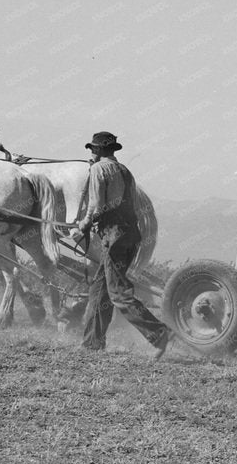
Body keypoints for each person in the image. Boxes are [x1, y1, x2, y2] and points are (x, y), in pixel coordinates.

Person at [68, 131, 170, 358]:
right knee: (99, 288)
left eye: (93, 149)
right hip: (131, 235)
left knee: (117, 293)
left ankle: (159, 333)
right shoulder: (125, 171)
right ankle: (92, 343)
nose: (91, 153)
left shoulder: (97, 170)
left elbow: (97, 207)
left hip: (113, 235)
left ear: (100, 150)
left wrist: (82, 226)